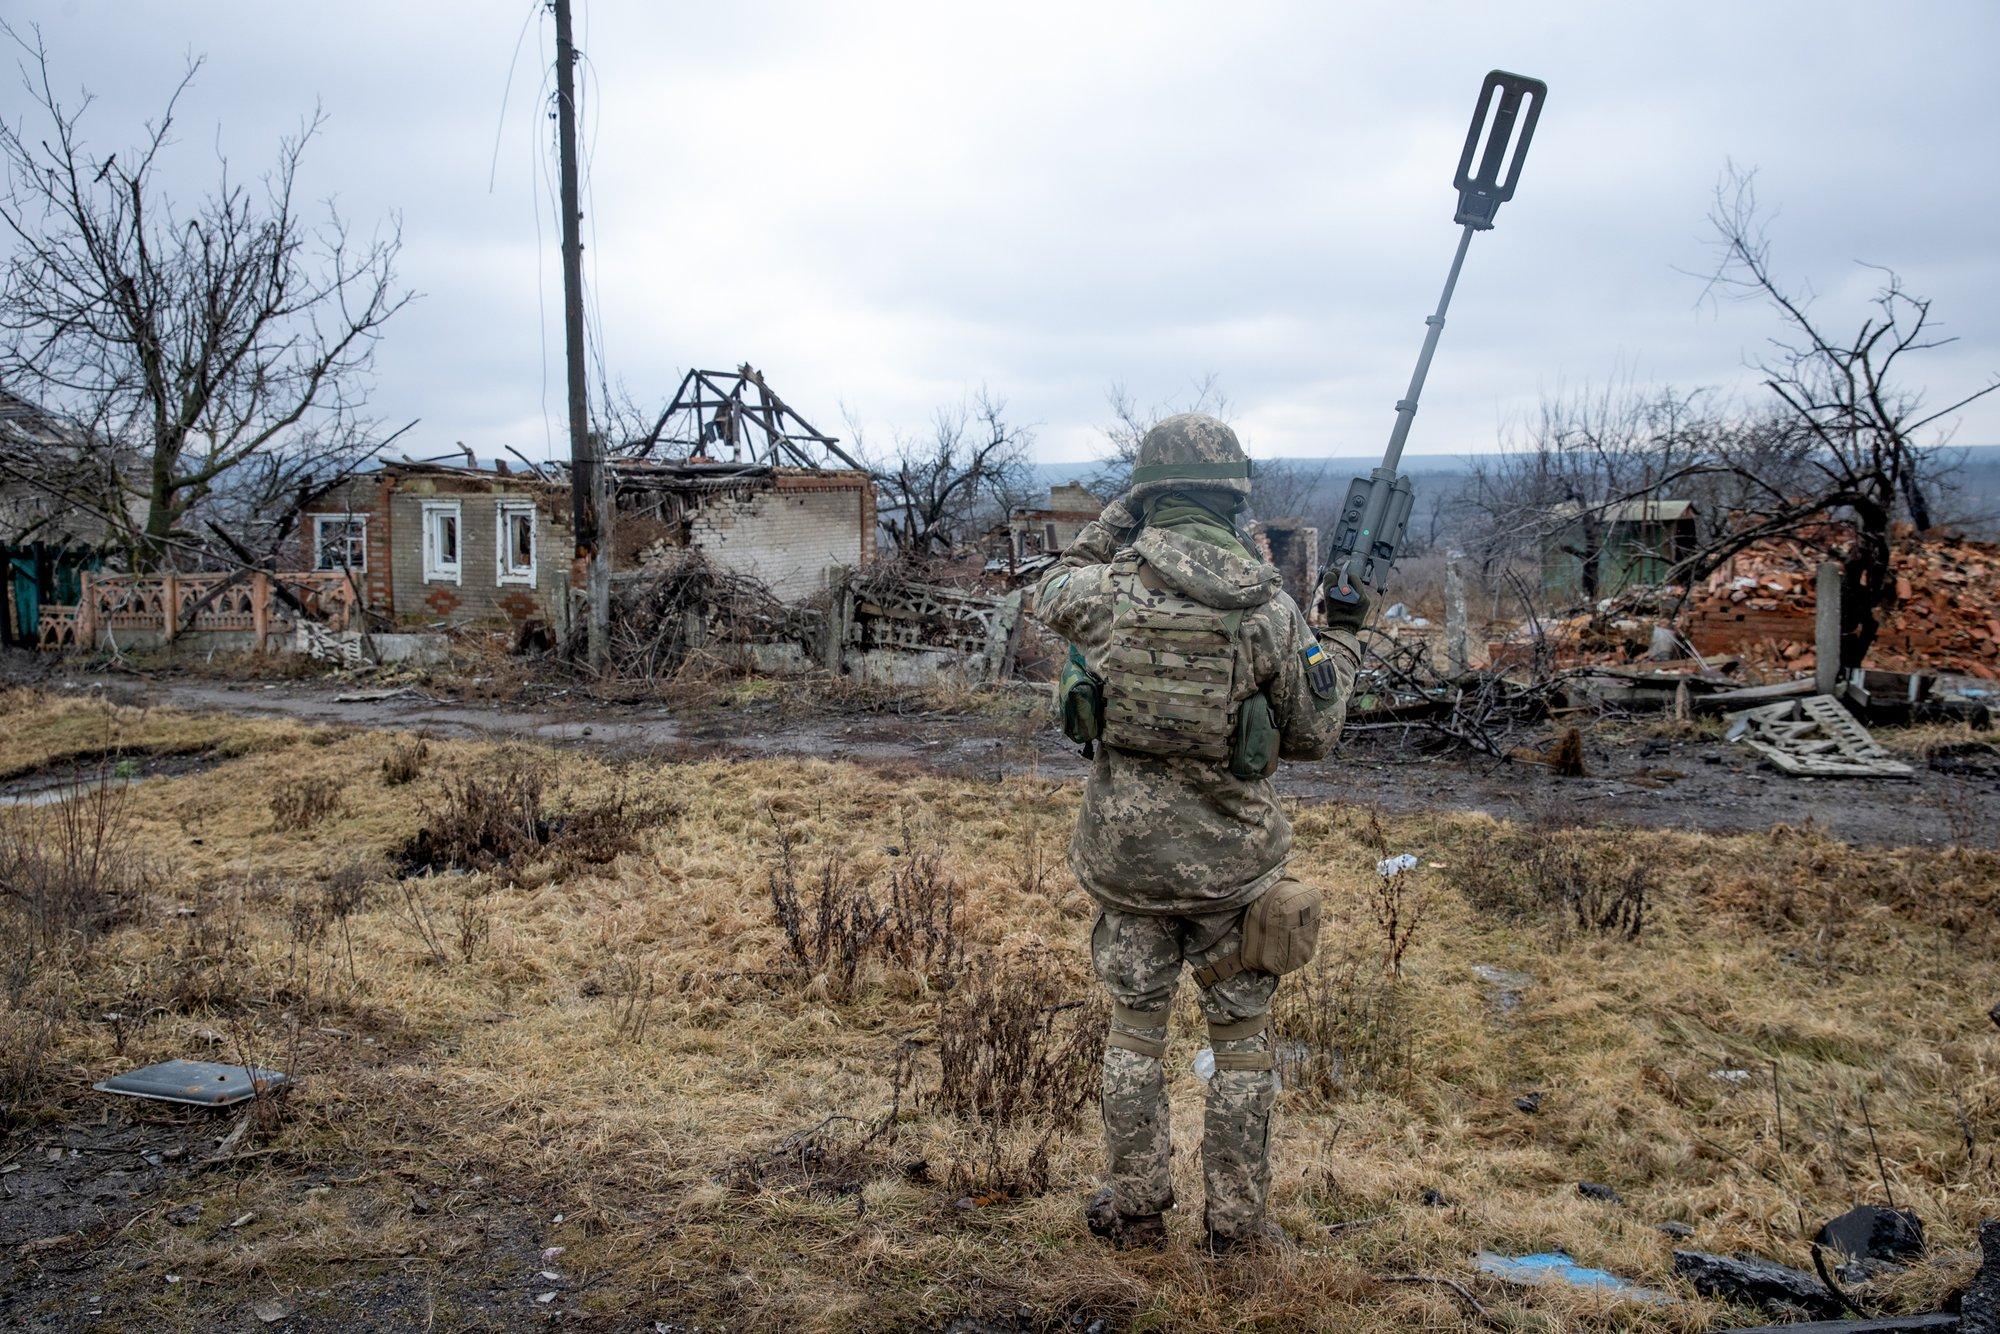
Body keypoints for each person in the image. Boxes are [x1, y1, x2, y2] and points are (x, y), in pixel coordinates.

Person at [1031, 412, 1366, 1252]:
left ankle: (1137, 1213)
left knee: (1135, 1034)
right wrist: (1344, 645)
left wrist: (1121, 514)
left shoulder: (1104, 592)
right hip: (1234, 872)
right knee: (1244, 1048)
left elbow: (1050, 583)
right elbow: (1315, 733)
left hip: (1129, 868)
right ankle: (1239, 1231)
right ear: (1233, 498)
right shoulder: (1270, 608)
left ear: (1150, 497)